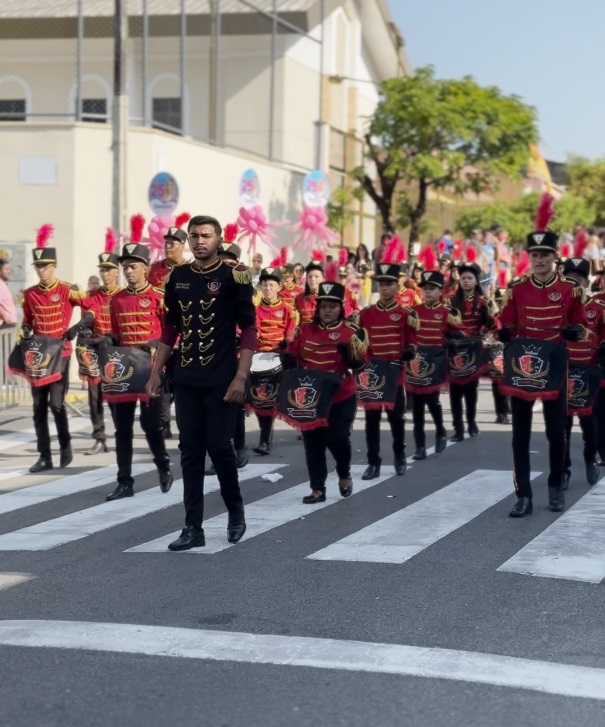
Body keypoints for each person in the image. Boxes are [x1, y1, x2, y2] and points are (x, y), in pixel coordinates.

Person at [147, 214, 257, 550]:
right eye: (193, 236)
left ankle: (235, 514)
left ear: (218, 239)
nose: (198, 241)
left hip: (222, 378)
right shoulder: (178, 276)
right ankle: (192, 527)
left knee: (221, 448)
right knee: (190, 452)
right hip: (187, 379)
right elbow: (171, 328)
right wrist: (156, 371)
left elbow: (250, 329)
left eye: (206, 235)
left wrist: (241, 376)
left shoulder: (234, 276)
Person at [499, 230, 587, 517]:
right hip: (523, 367)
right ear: (529, 257)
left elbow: (581, 325)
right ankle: (523, 494)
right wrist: (503, 332)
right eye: (535, 255)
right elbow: (508, 324)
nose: (539, 260)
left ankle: (555, 486)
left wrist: (576, 331)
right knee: (519, 434)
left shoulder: (570, 289)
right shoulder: (517, 288)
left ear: (554, 257)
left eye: (545, 255)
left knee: (556, 431)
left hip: (555, 367)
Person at [283, 281, 368, 503]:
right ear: (317, 308)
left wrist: (353, 359)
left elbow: (363, 366)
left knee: (338, 438)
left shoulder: (351, 331)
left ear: (341, 308)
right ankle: (317, 488)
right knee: (313, 443)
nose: (328, 310)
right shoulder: (304, 330)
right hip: (311, 396)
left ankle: (344, 472)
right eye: (323, 306)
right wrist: (287, 360)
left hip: (341, 395)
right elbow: (293, 356)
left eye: (333, 306)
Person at [104, 242, 173, 501]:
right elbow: (116, 333)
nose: (128, 272)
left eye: (133, 267)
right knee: (122, 428)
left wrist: (156, 344)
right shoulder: (118, 299)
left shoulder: (158, 297)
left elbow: (172, 333)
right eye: (125, 267)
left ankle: (163, 464)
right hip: (123, 371)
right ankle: (124, 481)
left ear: (145, 268)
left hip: (152, 371)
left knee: (149, 424)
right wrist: (103, 341)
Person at [22, 225, 88, 473]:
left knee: (57, 404)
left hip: (61, 353)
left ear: (54, 266)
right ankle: (44, 456)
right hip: (38, 356)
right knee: (38, 407)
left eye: (46, 266)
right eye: (39, 266)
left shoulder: (67, 289)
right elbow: (28, 319)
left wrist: (77, 327)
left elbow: (90, 307)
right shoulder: (29, 294)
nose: (42, 271)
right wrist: (24, 329)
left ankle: (66, 445)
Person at [359, 261, 418, 479]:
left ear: (397, 286)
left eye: (389, 284)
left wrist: (410, 351)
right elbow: (360, 344)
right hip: (372, 374)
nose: (384, 288)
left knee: (396, 419)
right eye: (381, 284)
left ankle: (399, 456)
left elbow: (413, 341)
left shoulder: (405, 314)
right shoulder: (365, 314)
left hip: (395, 375)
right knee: (371, 420)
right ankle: (373, 462)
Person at [409, 271, 466, 460]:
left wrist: (454, 337)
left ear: (440, 291)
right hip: (417, 361)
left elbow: (462, 333)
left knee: (431, 400)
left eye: (432, 288)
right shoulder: (414, 311)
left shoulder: (448, 313)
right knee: (416, 404)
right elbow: (406, 335)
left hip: (436, 360)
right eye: (425, 289)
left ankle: (440, 431)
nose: (428, 292)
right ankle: (419, 446)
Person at [560, 258, 602, 487]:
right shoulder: (553, 307)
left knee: (589, 425)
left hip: (588, 372)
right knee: (562, 427)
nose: (574, 283)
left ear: (587, 282)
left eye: (579, 279)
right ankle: (564, 469)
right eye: (569, 279)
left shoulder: (598, 309)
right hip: (562, 371)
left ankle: (589, 460)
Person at [80, 236, 122, 455]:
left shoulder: (123, 296)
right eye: (103, 271)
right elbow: (85, 324)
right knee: (94, 397)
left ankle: (120, 435)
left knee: (115, 397)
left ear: (117, 272)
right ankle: (99, 438)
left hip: (116, 352)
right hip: (95, 351)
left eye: (109, 270)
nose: (105, 274)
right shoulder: (91, 296)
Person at [148, 224, 189, 440]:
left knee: (178, 382)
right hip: (159, 334)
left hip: (185, 334)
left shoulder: (191, 269)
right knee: (161, 379)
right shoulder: (155, 270)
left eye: (172, 242)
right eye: (166, 241)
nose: (168, 245)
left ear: (182, 246)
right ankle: (164, 422)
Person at [448, 263, 497, 441]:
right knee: (454, 390)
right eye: (463, 279)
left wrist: (490, 317)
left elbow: (493, 326)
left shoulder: (483, 302)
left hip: (474, 349)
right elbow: (444, 326)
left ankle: (471, 422)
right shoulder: (451, 302)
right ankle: (458, 428)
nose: (466, 281)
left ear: (476, 281)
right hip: (454, 349)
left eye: (469, 278)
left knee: (470, 390)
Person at [252, 266, 297, 455]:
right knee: (258, 400)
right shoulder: (253, 310)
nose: (268, 288)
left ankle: (266, 439)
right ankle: (261, 439)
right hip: (258, 358)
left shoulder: (288, 310)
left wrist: (285, 347)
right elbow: (252, 334)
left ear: (279, 286)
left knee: (270, 400)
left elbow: (291, 335)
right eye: (264, 285)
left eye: (271, 285)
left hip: (279, 359)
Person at [295, 259, 324, 324]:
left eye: (316, 276)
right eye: (310, 276)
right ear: (307, 279)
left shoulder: (330, 299)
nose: (313, 279)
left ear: (323, 278)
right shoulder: (299, 299)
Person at [0, 258, 17, 326]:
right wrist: (4, 315)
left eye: (10, 269)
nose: (9, 271)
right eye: (6, 269)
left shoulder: (3, 284)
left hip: (9, 324)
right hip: (4, 325)